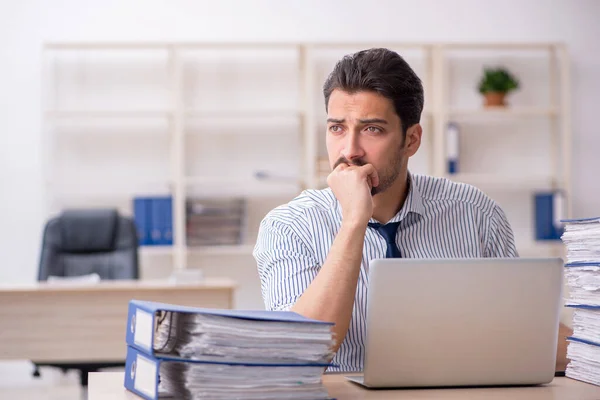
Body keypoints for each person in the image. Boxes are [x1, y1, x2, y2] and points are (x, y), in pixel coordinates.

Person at [253, 48, 571, 372]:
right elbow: (299, 354)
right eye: (337, 128)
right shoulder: (288, 226)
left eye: (371, 129)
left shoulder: (476, 214)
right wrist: (353, 221)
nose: (349, 150)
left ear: (411, 140)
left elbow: (524, 330)